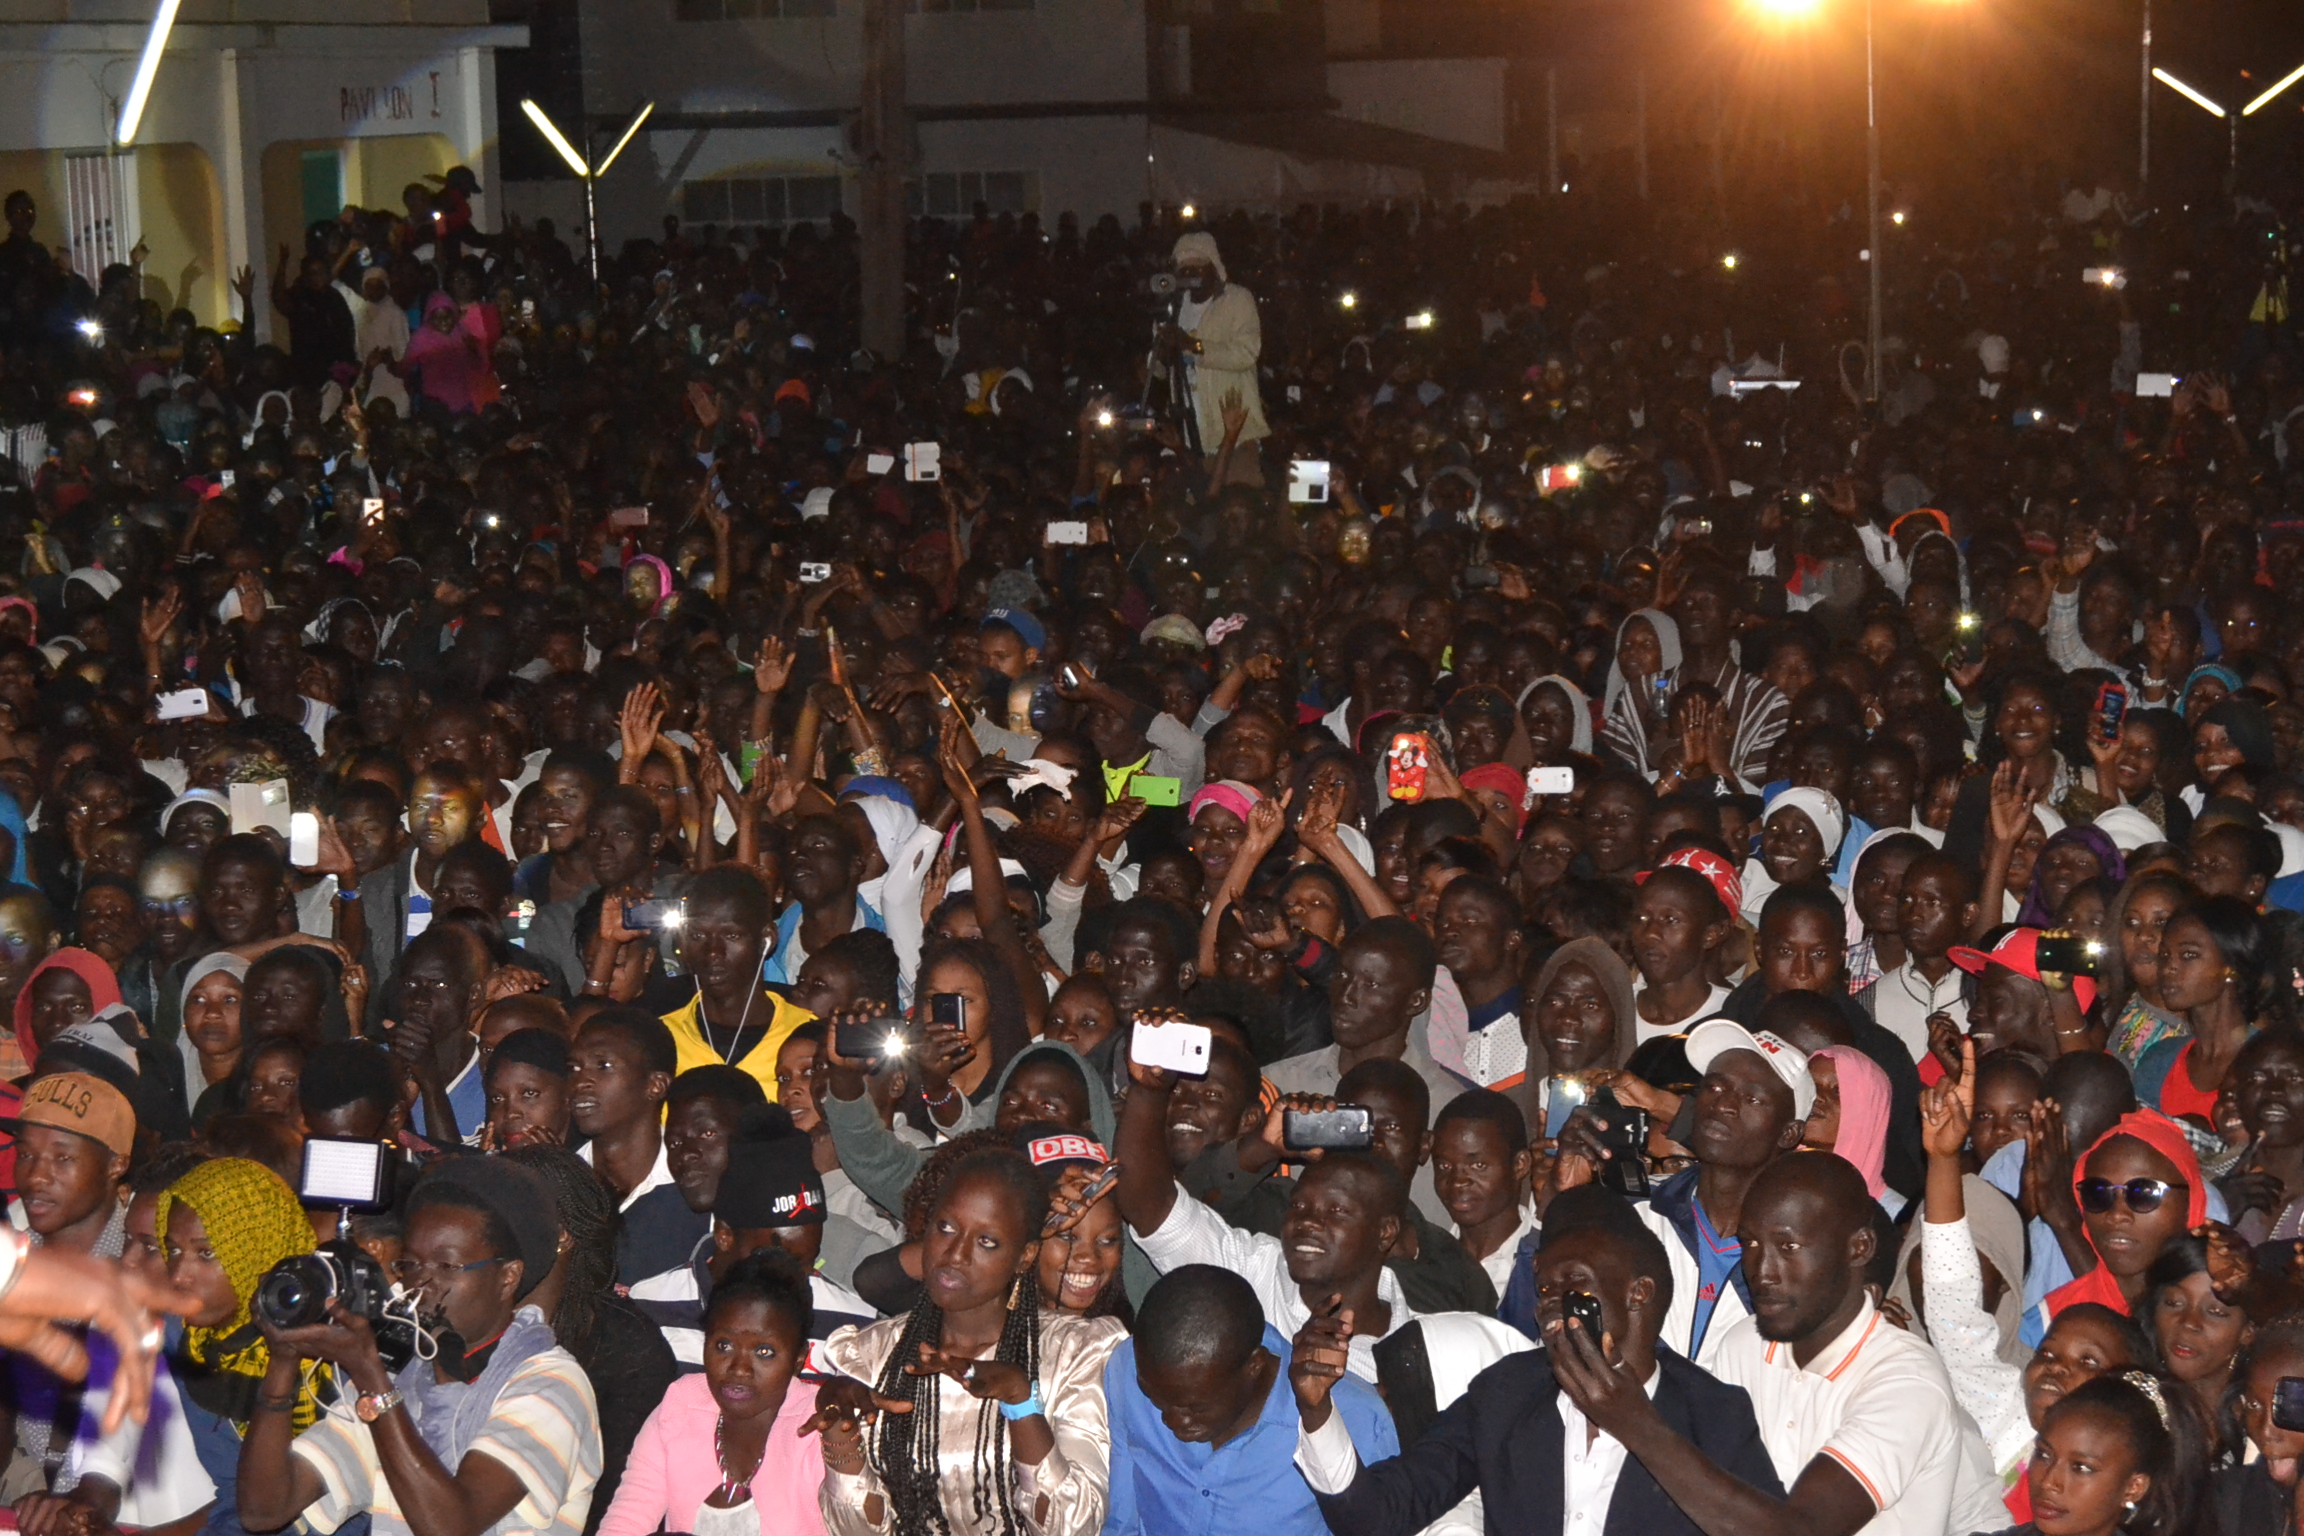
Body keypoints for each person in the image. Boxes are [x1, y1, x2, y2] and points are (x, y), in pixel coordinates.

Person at [1552, 1153, 2004, 1536]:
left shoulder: (1906, 1381)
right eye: (1750, 1243)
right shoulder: (1743, 1344)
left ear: (1859, 1248)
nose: (1761, 1270)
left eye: (1787, 1247)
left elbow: (1801, 1529)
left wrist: (1636, 1422)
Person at [1296, 1185, 1784, 1536]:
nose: (1550, 1301)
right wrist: (1316, 1413)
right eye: (1545, 1288)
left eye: (1574, 1283)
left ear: (1638, 1294)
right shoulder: (1507, 1393)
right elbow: (1378, 1517)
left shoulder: (1713, 1410)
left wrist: (1637, 1425)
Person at [235, 1157, 603, 1536]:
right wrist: (283, 1360)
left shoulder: (552, 1385)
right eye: (410, 1264)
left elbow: (453, 1526)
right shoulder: (404, 1373)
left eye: (446, 1267)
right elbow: (264, 1511)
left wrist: (371, 1377)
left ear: (508, 1277)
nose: (422, 1285)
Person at [804, 1145, 1124, 1536]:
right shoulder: (874, 1355)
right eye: (947, 1228)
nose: (955, 1254)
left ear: (1024, 1257)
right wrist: (843, 1437)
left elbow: (1074, 1525)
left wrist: (1019, 1400)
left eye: (986, 1241)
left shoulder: (1073, 1351)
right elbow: (858, 1531)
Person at [1106, 1263, 1396, 1536]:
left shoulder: (1356, 1420)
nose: (1171, 1420)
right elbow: (1122, 1522)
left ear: (1255, 1366)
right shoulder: (1126, 1368)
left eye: (1195, 1408)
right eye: (1153, 1397)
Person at [596, 1250, 826, 1536]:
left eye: (764, 1352)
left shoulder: (818, 1425)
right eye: (724, 1346)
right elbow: (625, 1523)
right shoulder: (682, 1404)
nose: (740, 1368)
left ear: (799, 1358)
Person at [570, 1007, 708, 1292]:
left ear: (655, 1085)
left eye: (603, 1066)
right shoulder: (558, 1184)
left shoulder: (698, 1189)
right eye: (574, 1067)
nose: (581, 1081)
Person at [1164, 232, 1267, 482]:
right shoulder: (1173, 306)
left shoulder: (1237, 299)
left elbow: (1247, 353)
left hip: (1234, 436)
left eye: (1197, 268)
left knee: (1237, 508)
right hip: (1188, 437)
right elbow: (1159, 367)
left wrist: (1194, 345)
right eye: (1184, 269)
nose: (1190, 275)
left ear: (1214, 267)